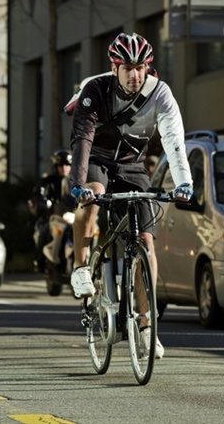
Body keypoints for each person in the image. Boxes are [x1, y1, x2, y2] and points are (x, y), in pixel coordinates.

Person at [68, 32, 194, 359]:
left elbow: (174, 140)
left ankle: (147, 325)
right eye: (128, 67)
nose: (135, 74)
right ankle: (81, 267)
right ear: (115, 67)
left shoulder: (160, 93)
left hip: (132, 165)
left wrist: (184, 183)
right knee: (92, 196)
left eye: (141, 67)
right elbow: (82, 139)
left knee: (146, 243)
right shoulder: (95, 90)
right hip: (96, 159)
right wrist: (77, 183)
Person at [28, 150, 75, 272]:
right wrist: (44, 202)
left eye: (67, 165)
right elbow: (39, 193)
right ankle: (39, 261)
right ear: (56, 166)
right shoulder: (48, 180)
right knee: (43, 229)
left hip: (70, 215)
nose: (64, 168)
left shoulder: (74, 181)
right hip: (52, 215)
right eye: (61, 165)